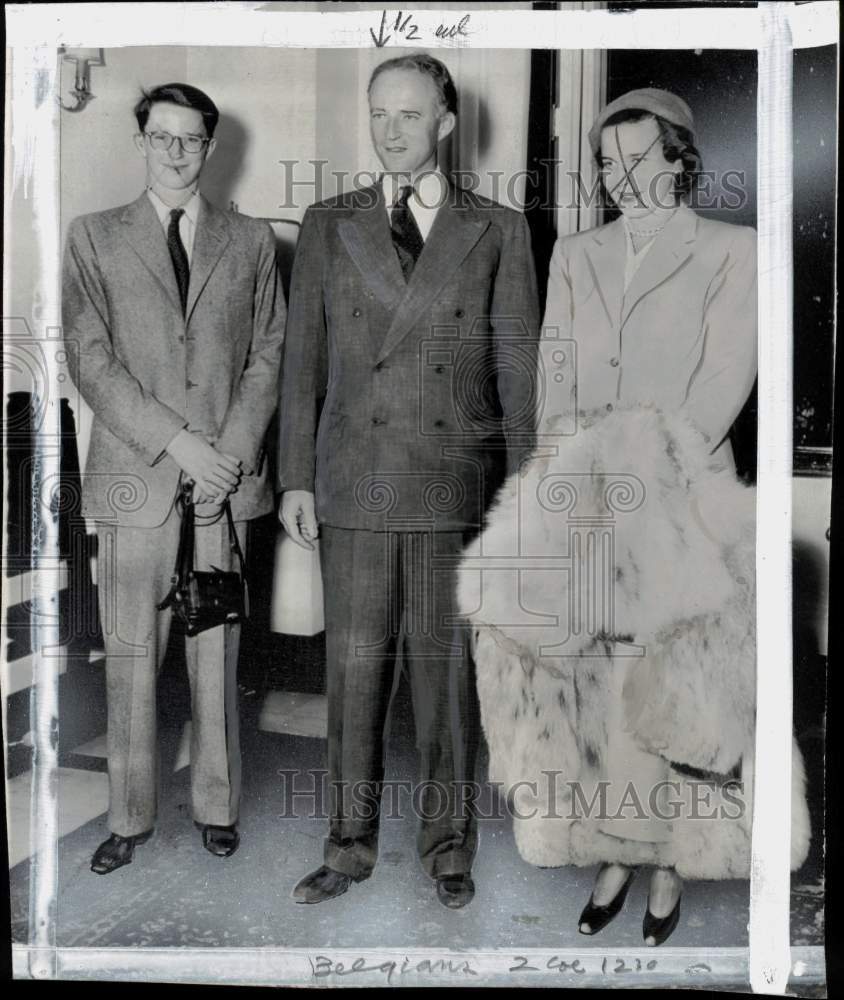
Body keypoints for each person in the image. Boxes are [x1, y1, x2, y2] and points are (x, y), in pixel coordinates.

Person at [459, 88, 810, 944]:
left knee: (679, 691)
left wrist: (642, 478)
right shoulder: (577, 251)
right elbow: (558, 375)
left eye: (637, 159)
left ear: (680, 158)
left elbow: (720, 386)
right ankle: (615, 846)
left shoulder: (736, 250)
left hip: (686, 496)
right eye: (607, 162)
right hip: (587, 499)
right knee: (597, 691)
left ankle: (669, 866)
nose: (619, 177)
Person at [278, 53, 539, 909]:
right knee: (352, 676)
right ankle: (347, 846)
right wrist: (296, 481)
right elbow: (301, 365)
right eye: (378, 114)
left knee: (444, 679)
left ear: (445, 123)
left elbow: (518, 370)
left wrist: (522, 495)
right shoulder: (328, 221)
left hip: (448, 485)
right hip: (353, 480)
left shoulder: (497, 228)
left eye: (408, 114)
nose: (391, 130)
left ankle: (448, 847)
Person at [62, 83, 286, 874]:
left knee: (216, 653)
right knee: (130, 659)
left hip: (222, 483)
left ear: (211, 145)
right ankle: (127, 817)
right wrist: (179, 444)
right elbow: (91, 359)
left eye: (191, 139)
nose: (176, 151)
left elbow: (268, 355)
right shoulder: (93, 237)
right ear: (141, 141)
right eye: (162, 137)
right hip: (137, 478)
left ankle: (217, 807)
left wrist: (225, 452)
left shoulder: (252, 240)